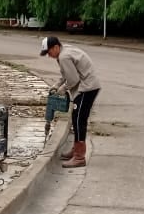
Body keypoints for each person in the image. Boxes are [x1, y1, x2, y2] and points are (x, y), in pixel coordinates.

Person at [40, 35, 101, 168]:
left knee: (79, 120)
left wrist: (62, 89)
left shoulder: (63, 56)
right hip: (87, 86)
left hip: (87, 88)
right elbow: (66, 74)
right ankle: (75, 149)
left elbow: (73, 80)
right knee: (76, 117)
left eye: (49, 52)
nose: (49, 56)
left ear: (56, 47)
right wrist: (56, 85)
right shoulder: (64, 51)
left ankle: (79, 157)